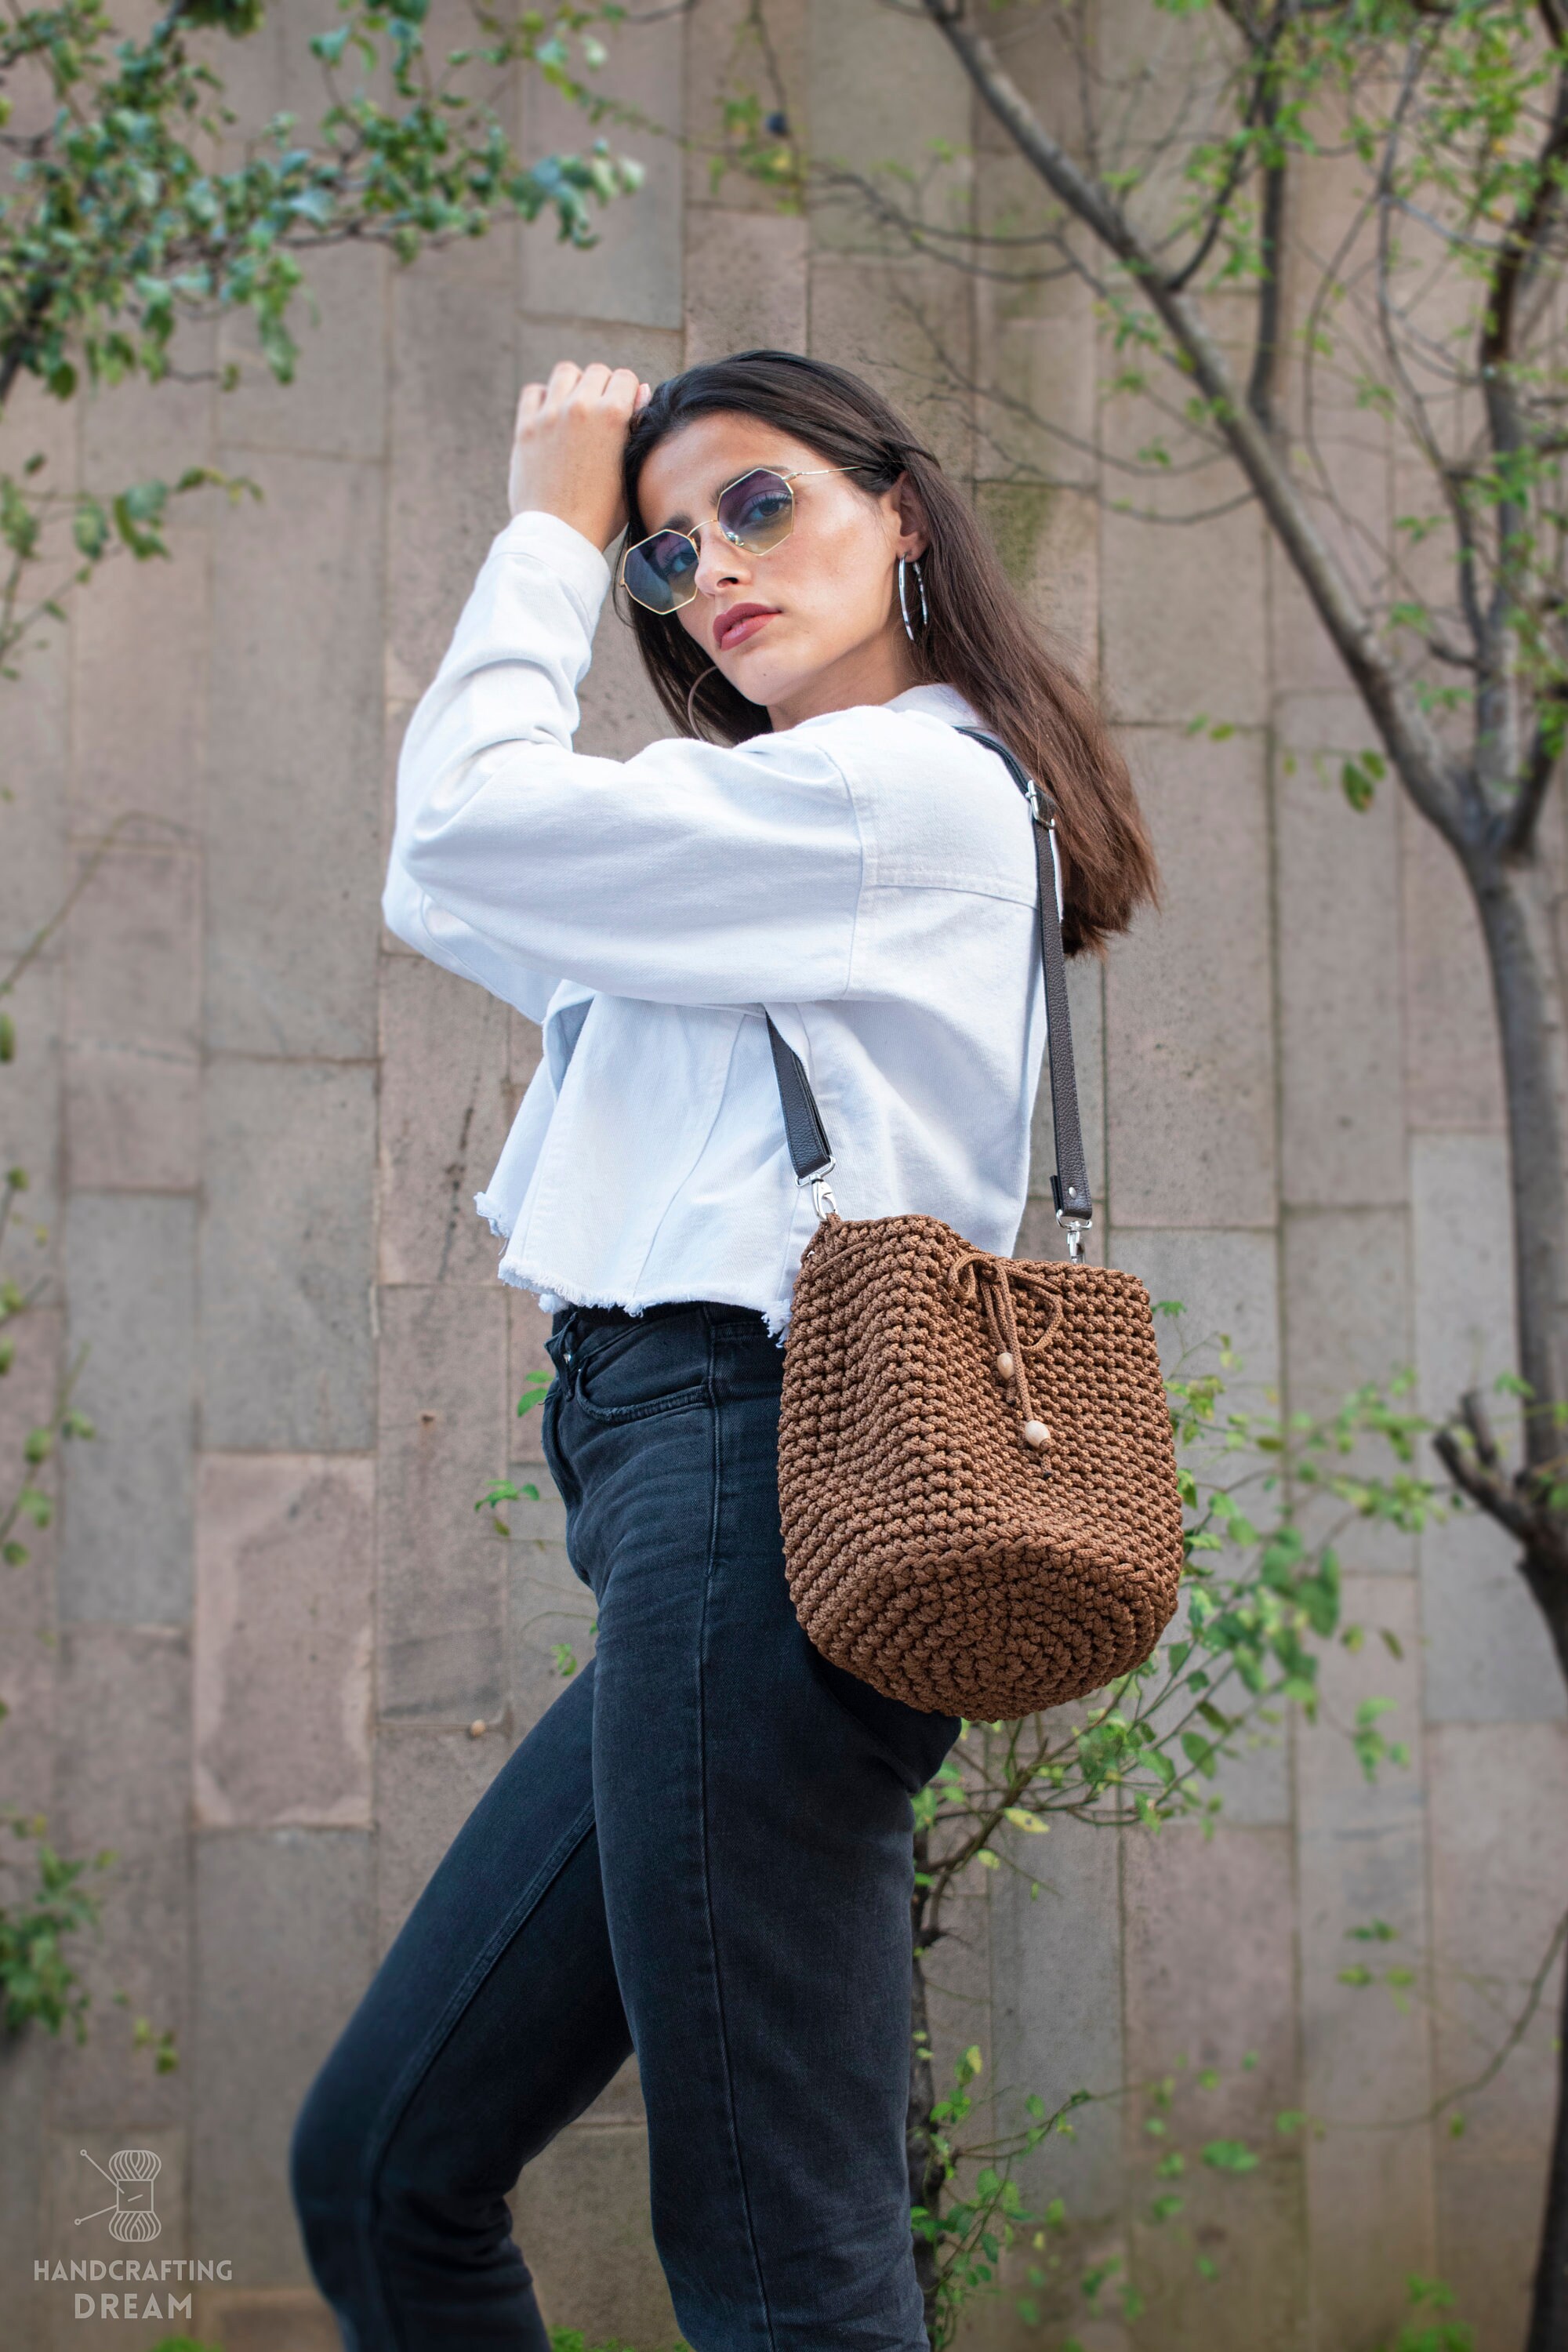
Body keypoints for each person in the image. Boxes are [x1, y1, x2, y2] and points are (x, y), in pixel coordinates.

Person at [289, 348, 1158, 2352]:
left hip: (763, 1481)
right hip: (687, 1509)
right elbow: (452, 873)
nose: (711, 570)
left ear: (901, 515)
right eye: (662, 552)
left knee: (782, 2254)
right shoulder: (775, 833)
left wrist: (544, 517)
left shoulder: (902, 791)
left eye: (760, 505)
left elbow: (477, 819)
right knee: (388, 2164)